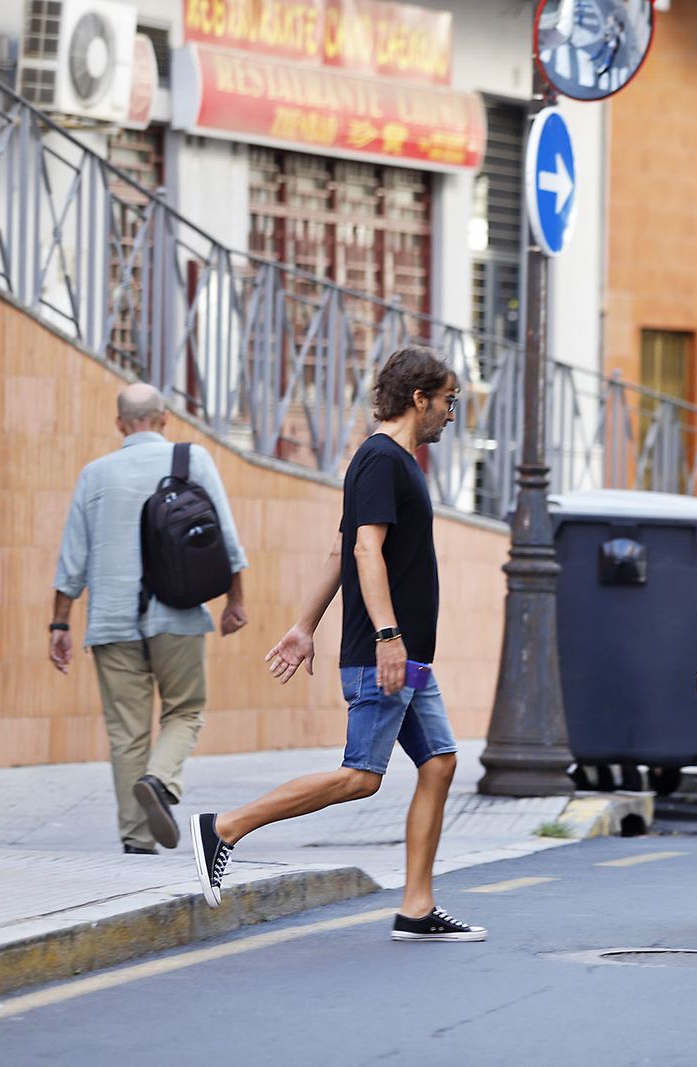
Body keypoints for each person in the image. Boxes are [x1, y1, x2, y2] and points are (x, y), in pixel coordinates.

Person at [190, 346, 486, 943]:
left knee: (440, 762)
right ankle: (224, 827)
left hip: (410, 659)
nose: (452, 415)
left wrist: (304, 627)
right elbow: (363, 550)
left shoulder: (394, 462)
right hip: (389, 653)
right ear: (419, 398)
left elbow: (337, 550)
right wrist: (387, 636)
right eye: (449, 401)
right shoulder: (381, 460)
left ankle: (417, 906)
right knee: (361, 776)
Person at [51, 382, 249, 855]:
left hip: (111, 622)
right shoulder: (192, 459)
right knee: (185, 709)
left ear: (120, 424)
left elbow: (71, 562)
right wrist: (235, 602)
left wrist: (59, 625)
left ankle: (137, 842)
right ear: (163, 419)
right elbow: (224, 535)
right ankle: (160, 781)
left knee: (126, 733)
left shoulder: (93, 475)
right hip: (176, 613)